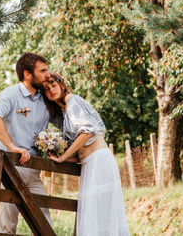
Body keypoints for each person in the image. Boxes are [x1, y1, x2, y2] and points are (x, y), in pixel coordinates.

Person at [42, 73, 130, 236]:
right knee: (92, 215)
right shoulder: (64, 112)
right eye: (47, 89)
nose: (51, 90)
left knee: (102, 213)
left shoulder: (72, 101)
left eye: (53, 85)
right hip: (88, 164)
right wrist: (65, 158)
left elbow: (86, 133)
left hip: (99, 161)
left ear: (62, 85)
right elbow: (80, 148)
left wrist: (62, 157)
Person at [0, 52, 52, 234]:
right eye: (43, 70)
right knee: (7, 225)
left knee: (44, 224)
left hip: (34, 169)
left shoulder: (44, 99)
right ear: (28, 74)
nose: (48, 74)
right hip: (10, 168)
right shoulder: (11, 94)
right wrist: (12, 147)